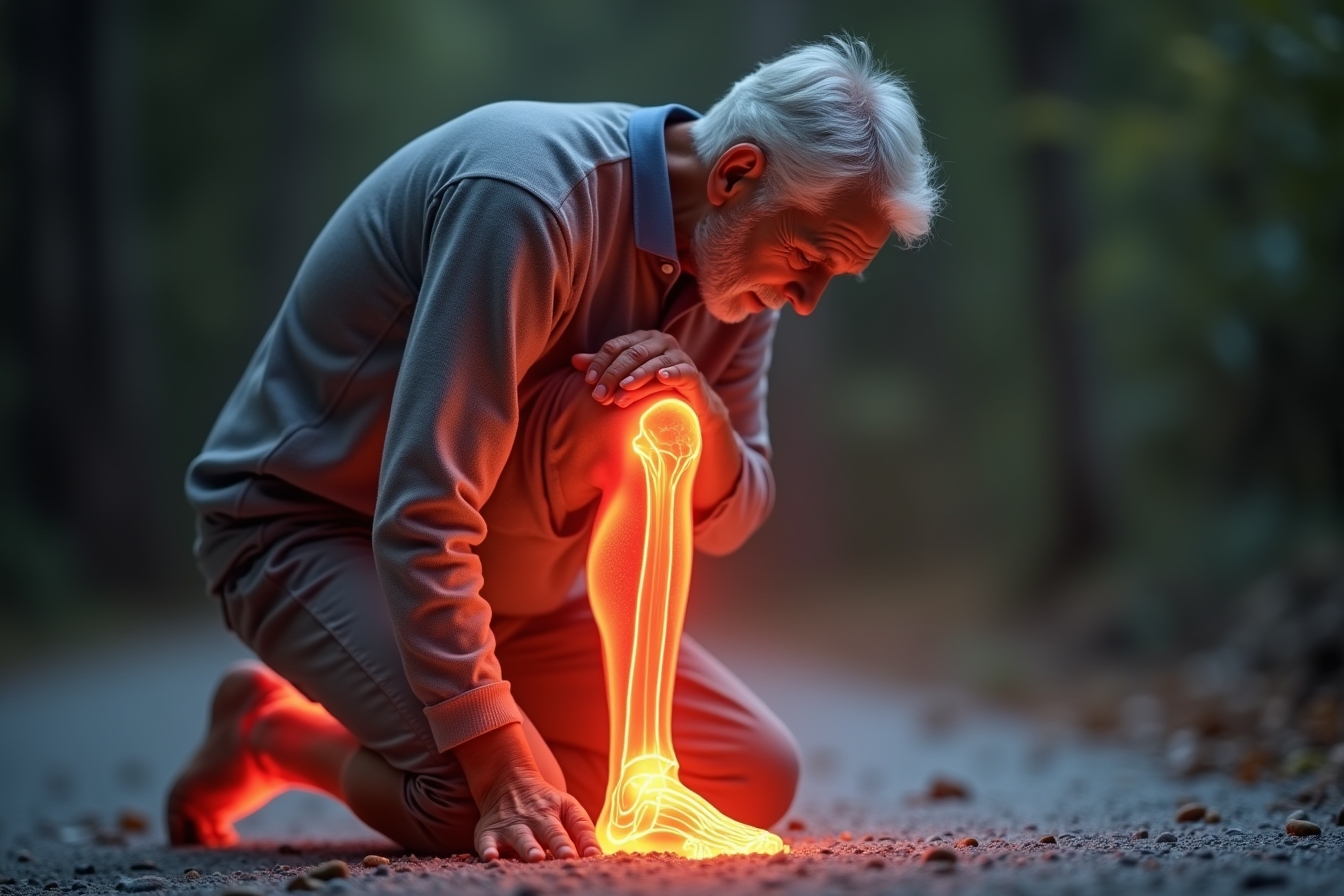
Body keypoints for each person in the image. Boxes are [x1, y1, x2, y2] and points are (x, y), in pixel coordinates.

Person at [168, 36, 938, 861]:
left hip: (510, 577)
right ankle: (272, 733)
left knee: (751, 776)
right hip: (304, 526)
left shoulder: (742, 280)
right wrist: (502, 759)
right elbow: (424, 504)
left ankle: (647, 780)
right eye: (809, 259)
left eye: (833, 277)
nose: (808, 300)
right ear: (735, 174)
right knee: (470, 797)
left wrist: (707, 414)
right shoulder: (528, 196)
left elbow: (735, 512)